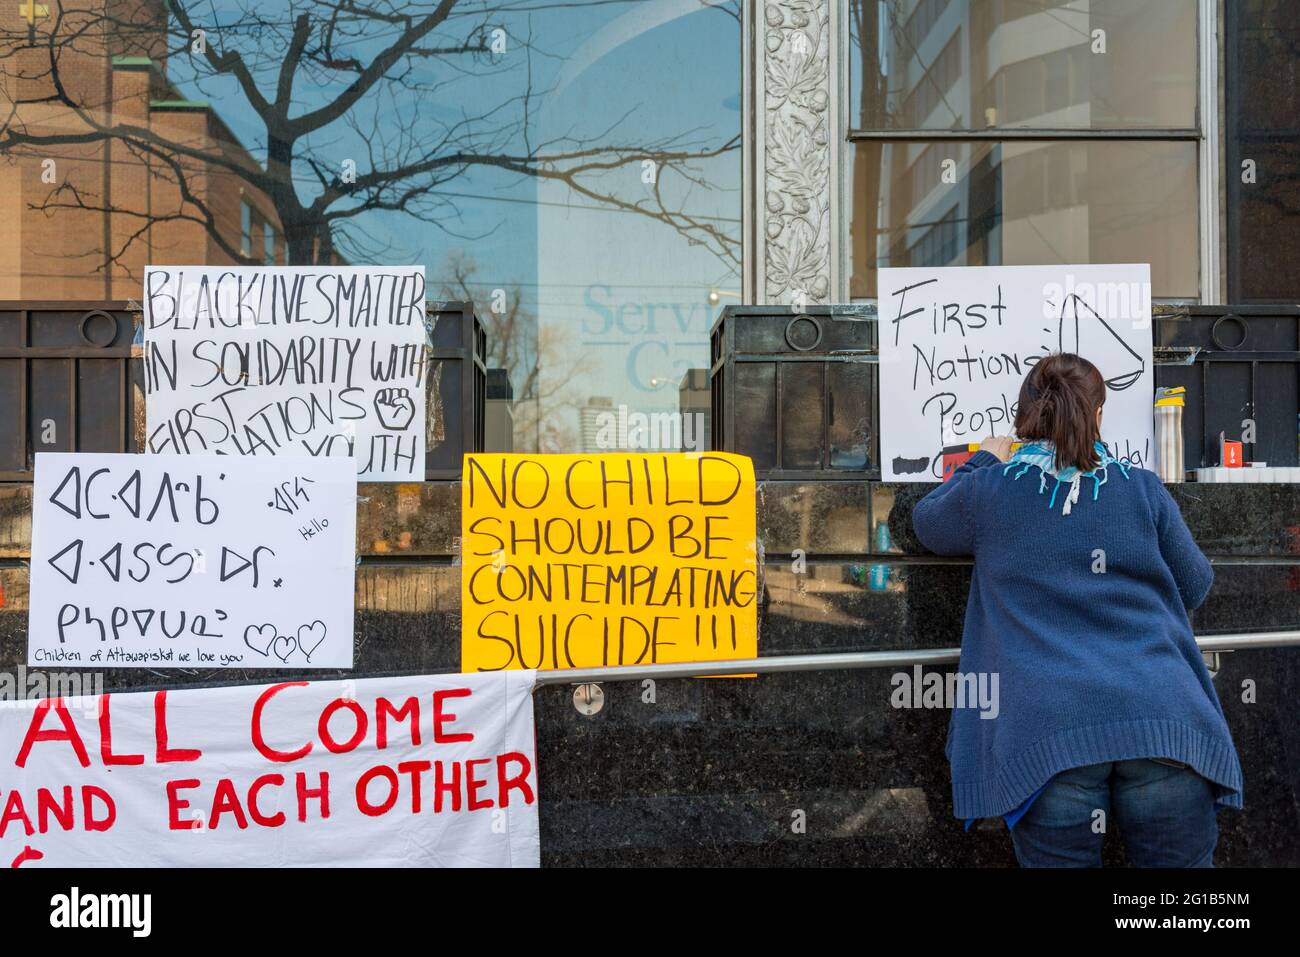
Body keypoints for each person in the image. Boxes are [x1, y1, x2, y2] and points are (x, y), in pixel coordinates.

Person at [912, 353, 1242, 867]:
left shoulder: (988, 490)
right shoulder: (1141, 486)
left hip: (1048, 737)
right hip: (1165, 722)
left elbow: (927, 523)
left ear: (1023, 415)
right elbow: (1195, 585)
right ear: (1099, 416)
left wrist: (984, 460)